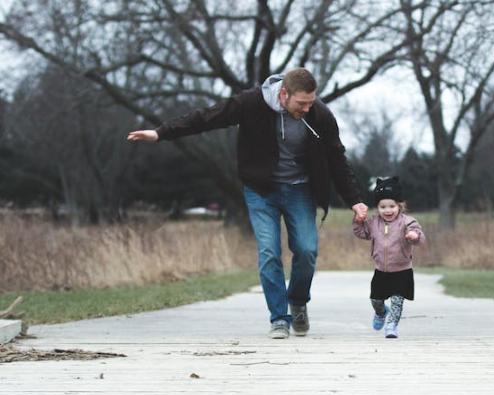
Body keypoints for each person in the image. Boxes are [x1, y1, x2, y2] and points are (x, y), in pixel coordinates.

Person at [128, 68, 368, 339]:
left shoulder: (319, 115)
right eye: (301, 103)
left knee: (307, 250)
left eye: (311, 102)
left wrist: (355, 201)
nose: (306, 108)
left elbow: (337, 158)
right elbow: (208, 117)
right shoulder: (251, 103)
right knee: (269, 252)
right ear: (283, 93)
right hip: (261, 190)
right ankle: (279, 318)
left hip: (300, 190)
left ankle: (298, 301)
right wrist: (161, 133)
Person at [352, 177, 425, 338]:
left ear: (399, 205)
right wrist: (358, 222)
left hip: (402, 270)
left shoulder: (407, 222)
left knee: (397, 301)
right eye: (382, 207)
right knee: (376, 300)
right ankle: (381, 312)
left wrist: (414, 235)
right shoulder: (373, 223)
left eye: (392, 206)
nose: (388, 210)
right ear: (377, 208)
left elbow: (420, 235)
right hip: (381, 271)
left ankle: (392, 326)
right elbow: (361, 233)